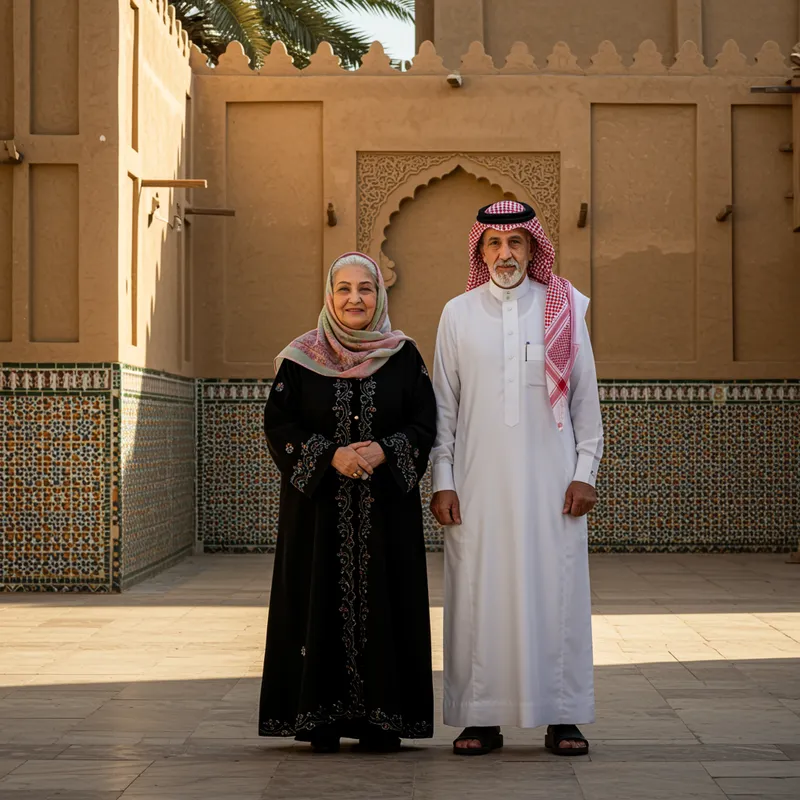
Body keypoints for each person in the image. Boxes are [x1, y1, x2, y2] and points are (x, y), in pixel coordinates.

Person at [430, 201, 603, 757]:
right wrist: (443, 479)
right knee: (478, 597)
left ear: (533, 250)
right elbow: (443, 409)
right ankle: (480, 718)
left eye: (516, 244)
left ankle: (564, 716)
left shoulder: (565, 309)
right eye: (494, 245)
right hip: (477, 486)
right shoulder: (456, 314)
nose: (505, 254)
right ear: (481, 252)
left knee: (557, 594)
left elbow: (585, 400)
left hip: (552, 487)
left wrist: (584, 472)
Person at [259, 252, 436, 754]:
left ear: (380, 296)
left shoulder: (404, 356)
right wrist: (329, 456)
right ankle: (319, 717)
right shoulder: (299, 358)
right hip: (315, 514)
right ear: (329, 295)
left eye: (365, 289)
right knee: (316, 597)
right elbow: (278, 425)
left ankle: (384, 719)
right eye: (344, 289)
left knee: (386, 599)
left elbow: (425, 423)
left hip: (386, 516)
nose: (354, 299)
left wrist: (386, 449)